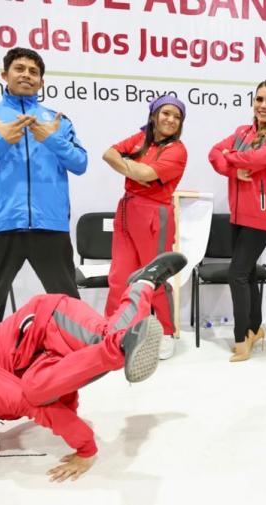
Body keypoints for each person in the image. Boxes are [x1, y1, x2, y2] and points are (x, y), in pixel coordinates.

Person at [0, 253, 187, 482]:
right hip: (41, 352)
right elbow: (54, 387)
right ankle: (123, 341)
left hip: (50, 318)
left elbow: (42, 405)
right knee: (37, 386)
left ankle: (141, 286)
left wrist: (85, 449)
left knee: (101, 340)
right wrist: (70, 399)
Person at [0, 47, 87, 345]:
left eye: (33, 71)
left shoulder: (58, 120)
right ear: (5, 75)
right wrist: (0, 142)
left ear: (42, 82)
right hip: (0, 224)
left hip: (50, 224)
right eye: (19, 68)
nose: (26, 75)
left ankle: (79, 350)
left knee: (67, 298)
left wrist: (51, 138)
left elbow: (80, 163)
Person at [208, 79, 266, 361]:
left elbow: (257, 159)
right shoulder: (242, 131)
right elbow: (213, 154)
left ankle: (242, 336)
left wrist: (231, 156)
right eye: (259, 99)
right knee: (249, 273)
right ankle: (256, 329)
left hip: (262, 215)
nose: (263, 106)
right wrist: (232, 169)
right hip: (238, 214)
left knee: (237, 274)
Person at [102, 96, 187, 360]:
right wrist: (134, 169)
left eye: (177, 116)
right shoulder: (140, 139)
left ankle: (166, 332)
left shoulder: (178, 150)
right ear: (153, 116)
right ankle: (113, 331)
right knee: (119, 276)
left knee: (155, 277)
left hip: (155, 216)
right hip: (127, 210)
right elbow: (108, 154)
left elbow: (146, 175)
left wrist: (129, 168)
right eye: (166, 113)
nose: (171, 120)